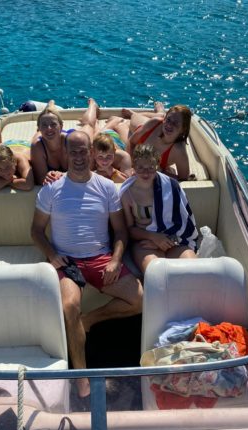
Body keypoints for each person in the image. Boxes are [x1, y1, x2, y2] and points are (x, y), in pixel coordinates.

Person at [31, 130, 143, 402]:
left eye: (84, 151)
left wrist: (116, 259)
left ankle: (88, 322)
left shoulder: (107, 189)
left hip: (100, 258)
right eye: (74, 151)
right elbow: (36, 230)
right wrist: (52, 254)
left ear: (92, 152)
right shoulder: (51, 190)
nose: (79, 157)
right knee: (69, 305)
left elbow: (120, 232)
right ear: (66, 154)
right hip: (67, 260)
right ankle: (81, 377)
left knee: (140, 299)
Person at [120, 144, 198, 273]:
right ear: (133, 166)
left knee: (193, 270)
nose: (146, 172)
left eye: (150, 167)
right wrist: (154, 237)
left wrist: (168, 239)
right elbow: (130, 229)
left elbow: (184, 222)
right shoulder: (127, 193)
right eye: (140, 167)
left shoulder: (171, 186)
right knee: (157, 273)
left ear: (157, 166)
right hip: (144, 242)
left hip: (173, 239)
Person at [30, 99, 99, 185]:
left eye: (53, 124)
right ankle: (50, 105)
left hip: (69, 138)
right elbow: (40, 178)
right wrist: (48, 177)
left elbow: (88, 168)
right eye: (44, 125)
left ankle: (93, 105)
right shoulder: (37, 146)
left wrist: (61, 176)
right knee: (47, 121)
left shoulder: (72, 141)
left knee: (88, 125)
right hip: (43, 139)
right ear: (39, 128)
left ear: (61, 126)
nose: (49, 128)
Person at [0, 99, 34, 192]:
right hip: (7, 146)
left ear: (14, 162)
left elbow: (28, 184)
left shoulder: (20, 159)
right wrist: (9, 180)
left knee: (37, 147)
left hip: (24, 147)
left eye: (8, 167)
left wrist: (5, 181)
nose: (5, 172)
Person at [127, 105, 193, 181]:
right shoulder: (154, 123)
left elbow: (183, 178)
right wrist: (133, 165)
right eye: (168, 120)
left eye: (175, 123)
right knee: (130, 118)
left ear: (183, 129)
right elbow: (131, 142)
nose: (169, 125)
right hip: (139, 126)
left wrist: (160, 172)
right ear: (164, 120)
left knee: (161, 115)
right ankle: (133, 113)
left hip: (152, 125)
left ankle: (161, 112)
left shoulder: (179, 150)